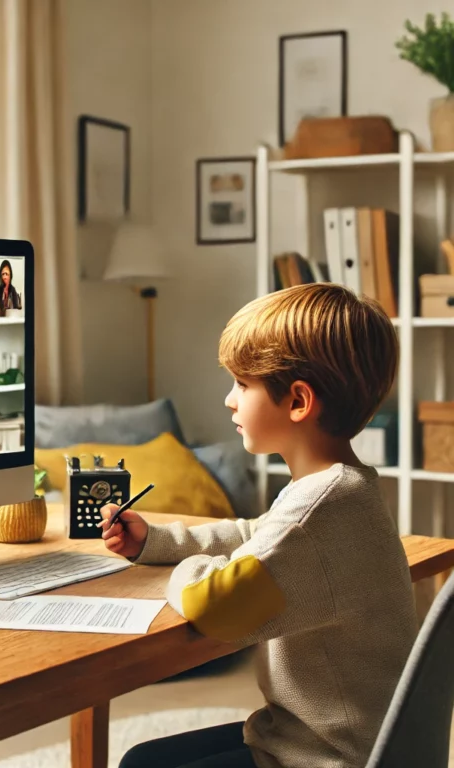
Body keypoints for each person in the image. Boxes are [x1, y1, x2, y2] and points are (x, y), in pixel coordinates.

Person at [100, 283, 417, 768]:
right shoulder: (339, 488)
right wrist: (158, 541)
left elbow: (215, 605)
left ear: (298, 402)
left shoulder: (320, 509)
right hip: (326, 736)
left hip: (327, 757)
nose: (229, 400)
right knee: (144, 757)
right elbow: (255, 535)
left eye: (242, 385)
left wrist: (186, 570)